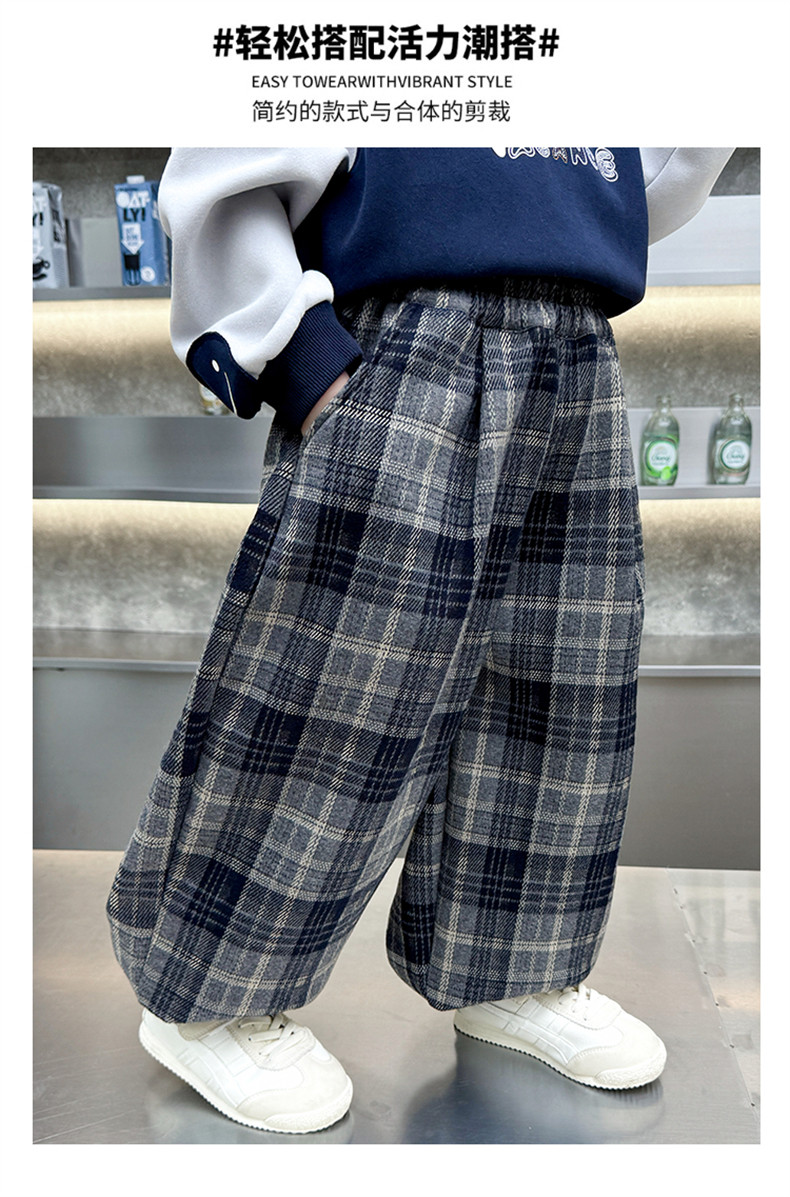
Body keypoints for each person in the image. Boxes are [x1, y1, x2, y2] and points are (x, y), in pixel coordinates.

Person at [107, 146, 733, 1134]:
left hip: (577, 340)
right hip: (411, 332)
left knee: (557, 682)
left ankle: (511, 967)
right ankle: (208, 995)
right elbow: (239, 146)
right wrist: (293, 350)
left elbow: (647, 182)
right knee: (334, 681)